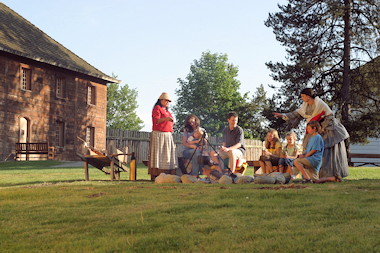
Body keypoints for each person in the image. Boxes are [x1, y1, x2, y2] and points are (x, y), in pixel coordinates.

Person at [273, 88, 349, 181]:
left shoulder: (320, 104)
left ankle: (330, 175)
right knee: (308, 145)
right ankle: (310, 176)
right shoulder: (305, 106)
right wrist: (282, 115)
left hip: (328, 130)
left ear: (308, 97)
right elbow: (296, 114)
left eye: (303, 96)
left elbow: (329, 116)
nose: (301, 98)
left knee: (327, 152)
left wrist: (321, 128)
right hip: (314, 127)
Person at [149, 92, 176, 179]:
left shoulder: (167, 111)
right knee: (158, 154)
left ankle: (167, 173)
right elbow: (157, 121)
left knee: (167, 155)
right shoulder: (157, 108)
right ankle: (156, 173)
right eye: (166, 100)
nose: (167, 102)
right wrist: (167, 119)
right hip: (159, 134)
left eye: (169, 101)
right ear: (161, 100)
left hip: (167, 134)